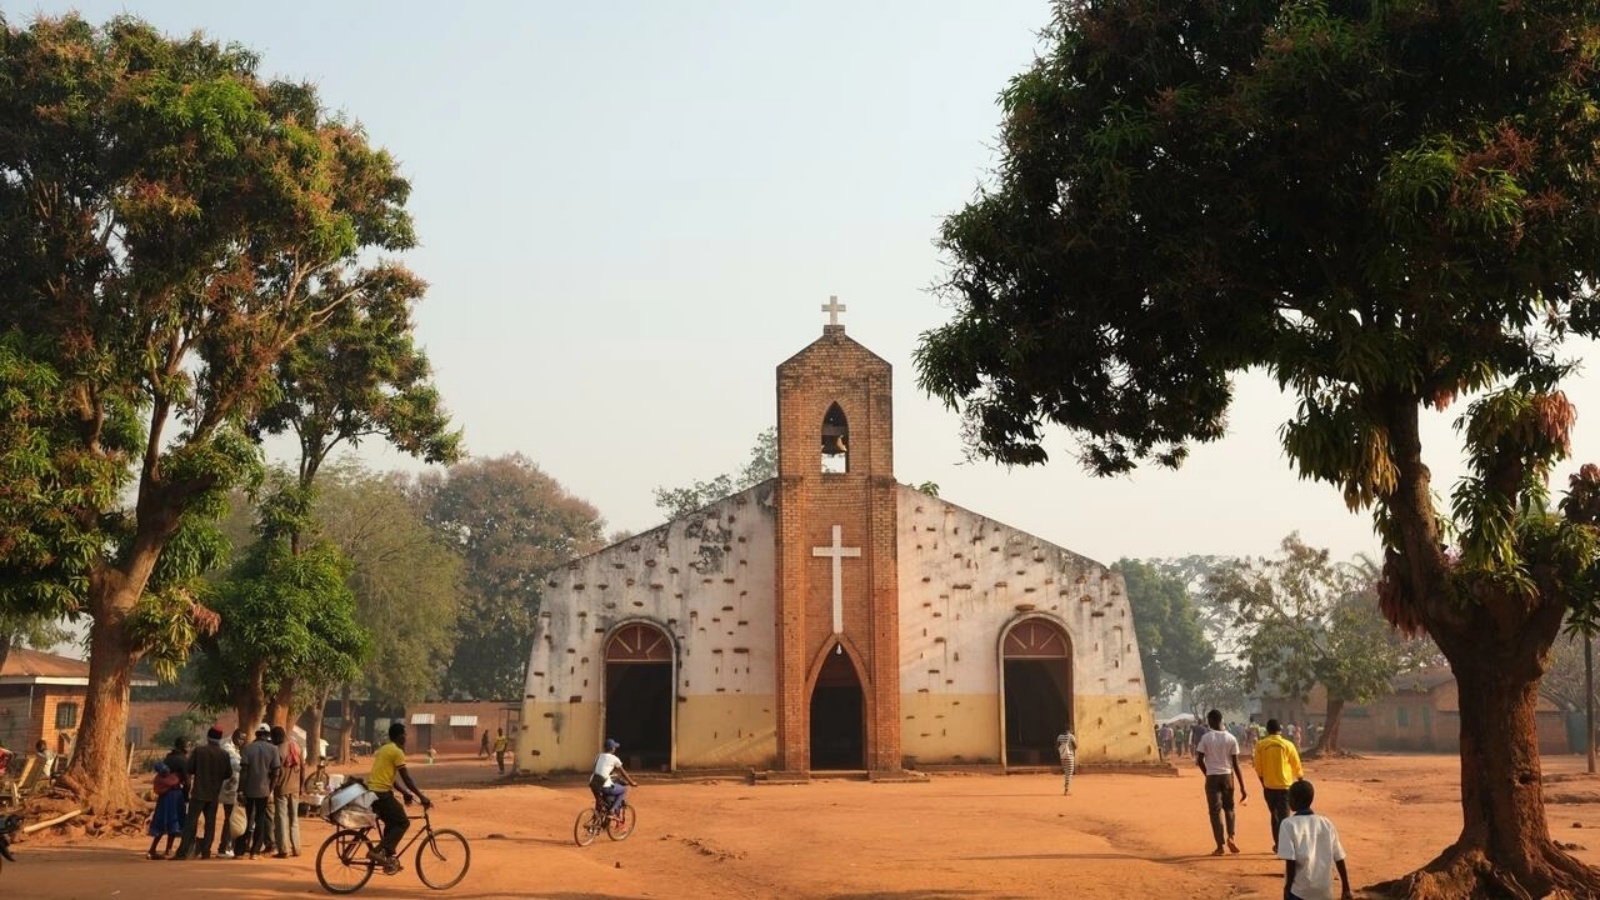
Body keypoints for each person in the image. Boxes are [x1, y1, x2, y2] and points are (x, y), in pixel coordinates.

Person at [368, 721, 431, 870]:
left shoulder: (384, 749)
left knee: (391, 823)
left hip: (373, 792)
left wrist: (405, 793)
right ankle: (377, 852)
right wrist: (421, 797)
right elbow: (407, 778)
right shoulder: (397, 752)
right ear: (399, 736)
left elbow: (392, 779)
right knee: (403, 822)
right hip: (381, 794)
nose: (406, 737)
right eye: (405, 734)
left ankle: (387, 857)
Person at [1277, 779, 1353, 900]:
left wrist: (1287, 887)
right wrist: (1346, 888)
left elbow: (1291, 861)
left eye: (1289, 797)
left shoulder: (1288, 824)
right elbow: (1339, 857)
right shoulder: (1325, 823)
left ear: (1295, 800)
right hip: (1324, 890)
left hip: (1300, 890)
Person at [173, 726, 232, 860]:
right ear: (220, 738)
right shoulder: (224, 754)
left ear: (208, 737)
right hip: (214, 794)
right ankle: (206, 851)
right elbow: (228, 773)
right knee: (210, 824)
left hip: (199, 793)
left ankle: (183, 852)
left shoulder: (199, 751)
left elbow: (189, 768)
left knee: (191, 822)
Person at [1195, 708, 1248, 856]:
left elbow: (1199, 760)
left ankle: (1220, 846)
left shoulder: (1206, 738)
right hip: (1227, 776)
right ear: (1221, 720)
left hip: (1212, 776)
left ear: (1211, 721)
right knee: (1229, 809)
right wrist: (1243, 787)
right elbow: (1236, 764)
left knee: (1214, 811)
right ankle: (1231, 836)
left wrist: (1208, 774)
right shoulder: (1231, 738)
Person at [1254, 718, 1305, 852]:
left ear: (1267, 730)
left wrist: (1263, 783)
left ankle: (1278, 844)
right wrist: (1300, 779)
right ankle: (1285, 845)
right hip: (1285, 787)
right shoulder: (1288, 745)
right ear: (1280, 730)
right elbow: (1296, 764)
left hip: (1269, 787)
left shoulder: (1261, 745)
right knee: (1284, 817)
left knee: (1274, 816)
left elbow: (1258, 768)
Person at [239, 724, 280, 860]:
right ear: (268, 735)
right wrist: (270, 789)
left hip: (249, 789)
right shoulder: (274, 749)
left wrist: (241, 790)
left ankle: (240, 850)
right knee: (261, 819)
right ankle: (255, 851)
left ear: (256, 734)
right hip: (264, 790)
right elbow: (275, 772)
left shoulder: (247, 748)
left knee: (246, 819)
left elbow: (243, 771)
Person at [269, 725, 302, 858]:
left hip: (281, 788)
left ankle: (284, 850)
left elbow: (275, 772)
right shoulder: (296, 747)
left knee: (281, 819)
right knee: (294, 818)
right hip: (295, 788)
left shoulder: (277, 751)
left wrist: (271, 788)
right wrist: (302, 786)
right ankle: (297, 848)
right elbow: (303, 769)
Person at [146, 762, 184, 859]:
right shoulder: (172, 778)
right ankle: (164, 849)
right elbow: (174, 781)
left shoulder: (159, 779)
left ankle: (159, 849)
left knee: (167, 826)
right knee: (168, 825)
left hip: (167, 803)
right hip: (170, 803)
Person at [589, 738, 636, 817]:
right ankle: (613, 809)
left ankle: (595, 823)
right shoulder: (614, 758)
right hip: (604, 785)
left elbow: (597, 769)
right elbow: (623, 772)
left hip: (593, 783)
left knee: (600, 802)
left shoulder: (599, 756)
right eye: (615, 747)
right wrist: (632, 782)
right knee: (623, 790)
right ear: (612, 748)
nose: (615, 749)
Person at [217, 729, 245, 858]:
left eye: (243, 740)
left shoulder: (234, 747)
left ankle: (227, 846)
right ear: (234, 736)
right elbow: (237, 765)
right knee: (230, 819)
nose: (241, 742)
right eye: (240, 739)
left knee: (231, 819)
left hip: (231, 789)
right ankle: (225, 847)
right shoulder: (227, 747)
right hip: (228, 790)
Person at [1056, 728, 1078, 795]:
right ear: (1070, 730)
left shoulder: (1059, 736)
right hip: (1070, 756)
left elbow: (1056, 746)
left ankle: (1066, 788)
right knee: (1069, 773)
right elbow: (1076, 746)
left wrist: (1063, 750)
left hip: (1062, 757)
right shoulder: (1071, 736)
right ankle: (1066, 790)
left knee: (1066, 772)